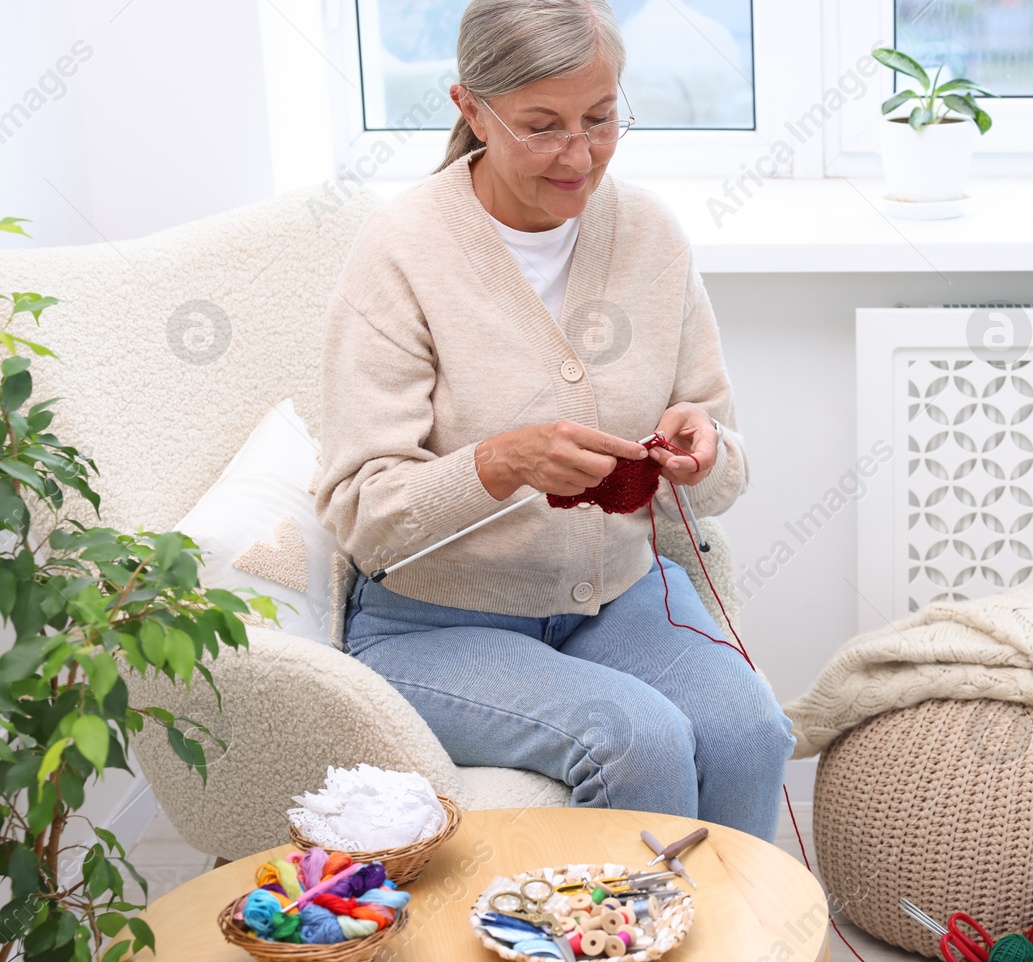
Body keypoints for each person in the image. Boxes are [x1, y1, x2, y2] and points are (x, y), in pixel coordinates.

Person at [315, 0, 794, 843]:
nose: (580, 156)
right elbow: (359, 510)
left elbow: (723, 466)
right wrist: (499, 464)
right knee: (639, 741)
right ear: (471, 109)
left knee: (752, 732)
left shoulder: (649, 233)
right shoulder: (401, 250)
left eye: (601, 119)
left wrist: (703, 454)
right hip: (435, 622)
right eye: (542, 127)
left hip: (618, 596)